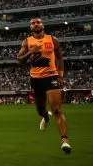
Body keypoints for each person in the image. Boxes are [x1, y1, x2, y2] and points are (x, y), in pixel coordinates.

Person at [17, 17, 71, 154]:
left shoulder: (52, 40)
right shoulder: (27, 42)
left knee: (57, 109)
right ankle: (46, 116)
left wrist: (60, 75)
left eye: (38, 22)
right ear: (30, 28)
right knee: (40, 109)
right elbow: (19, 60)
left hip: (51, 76)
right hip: (35, 79)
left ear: (42, 25)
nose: (36, 25)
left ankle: (64, 140)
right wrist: (31, 51)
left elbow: (59, 57)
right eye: (33, 23)